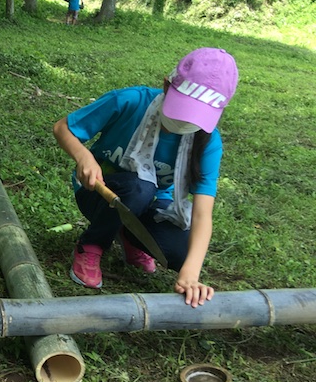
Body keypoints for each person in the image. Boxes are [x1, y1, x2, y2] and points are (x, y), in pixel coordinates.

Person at [52, 47, 239, 308]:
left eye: (195, 116)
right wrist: (84, 157)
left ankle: (129, 235)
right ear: (166, 86)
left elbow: (201, 214)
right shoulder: (131, 101)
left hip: (150, 204)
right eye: (181, 110)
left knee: (182, 253)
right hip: (99, 191)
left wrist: (190, 274)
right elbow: (63, 128)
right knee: (140, 189)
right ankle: (92, 244)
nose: (185, 122)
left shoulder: (207, 141)